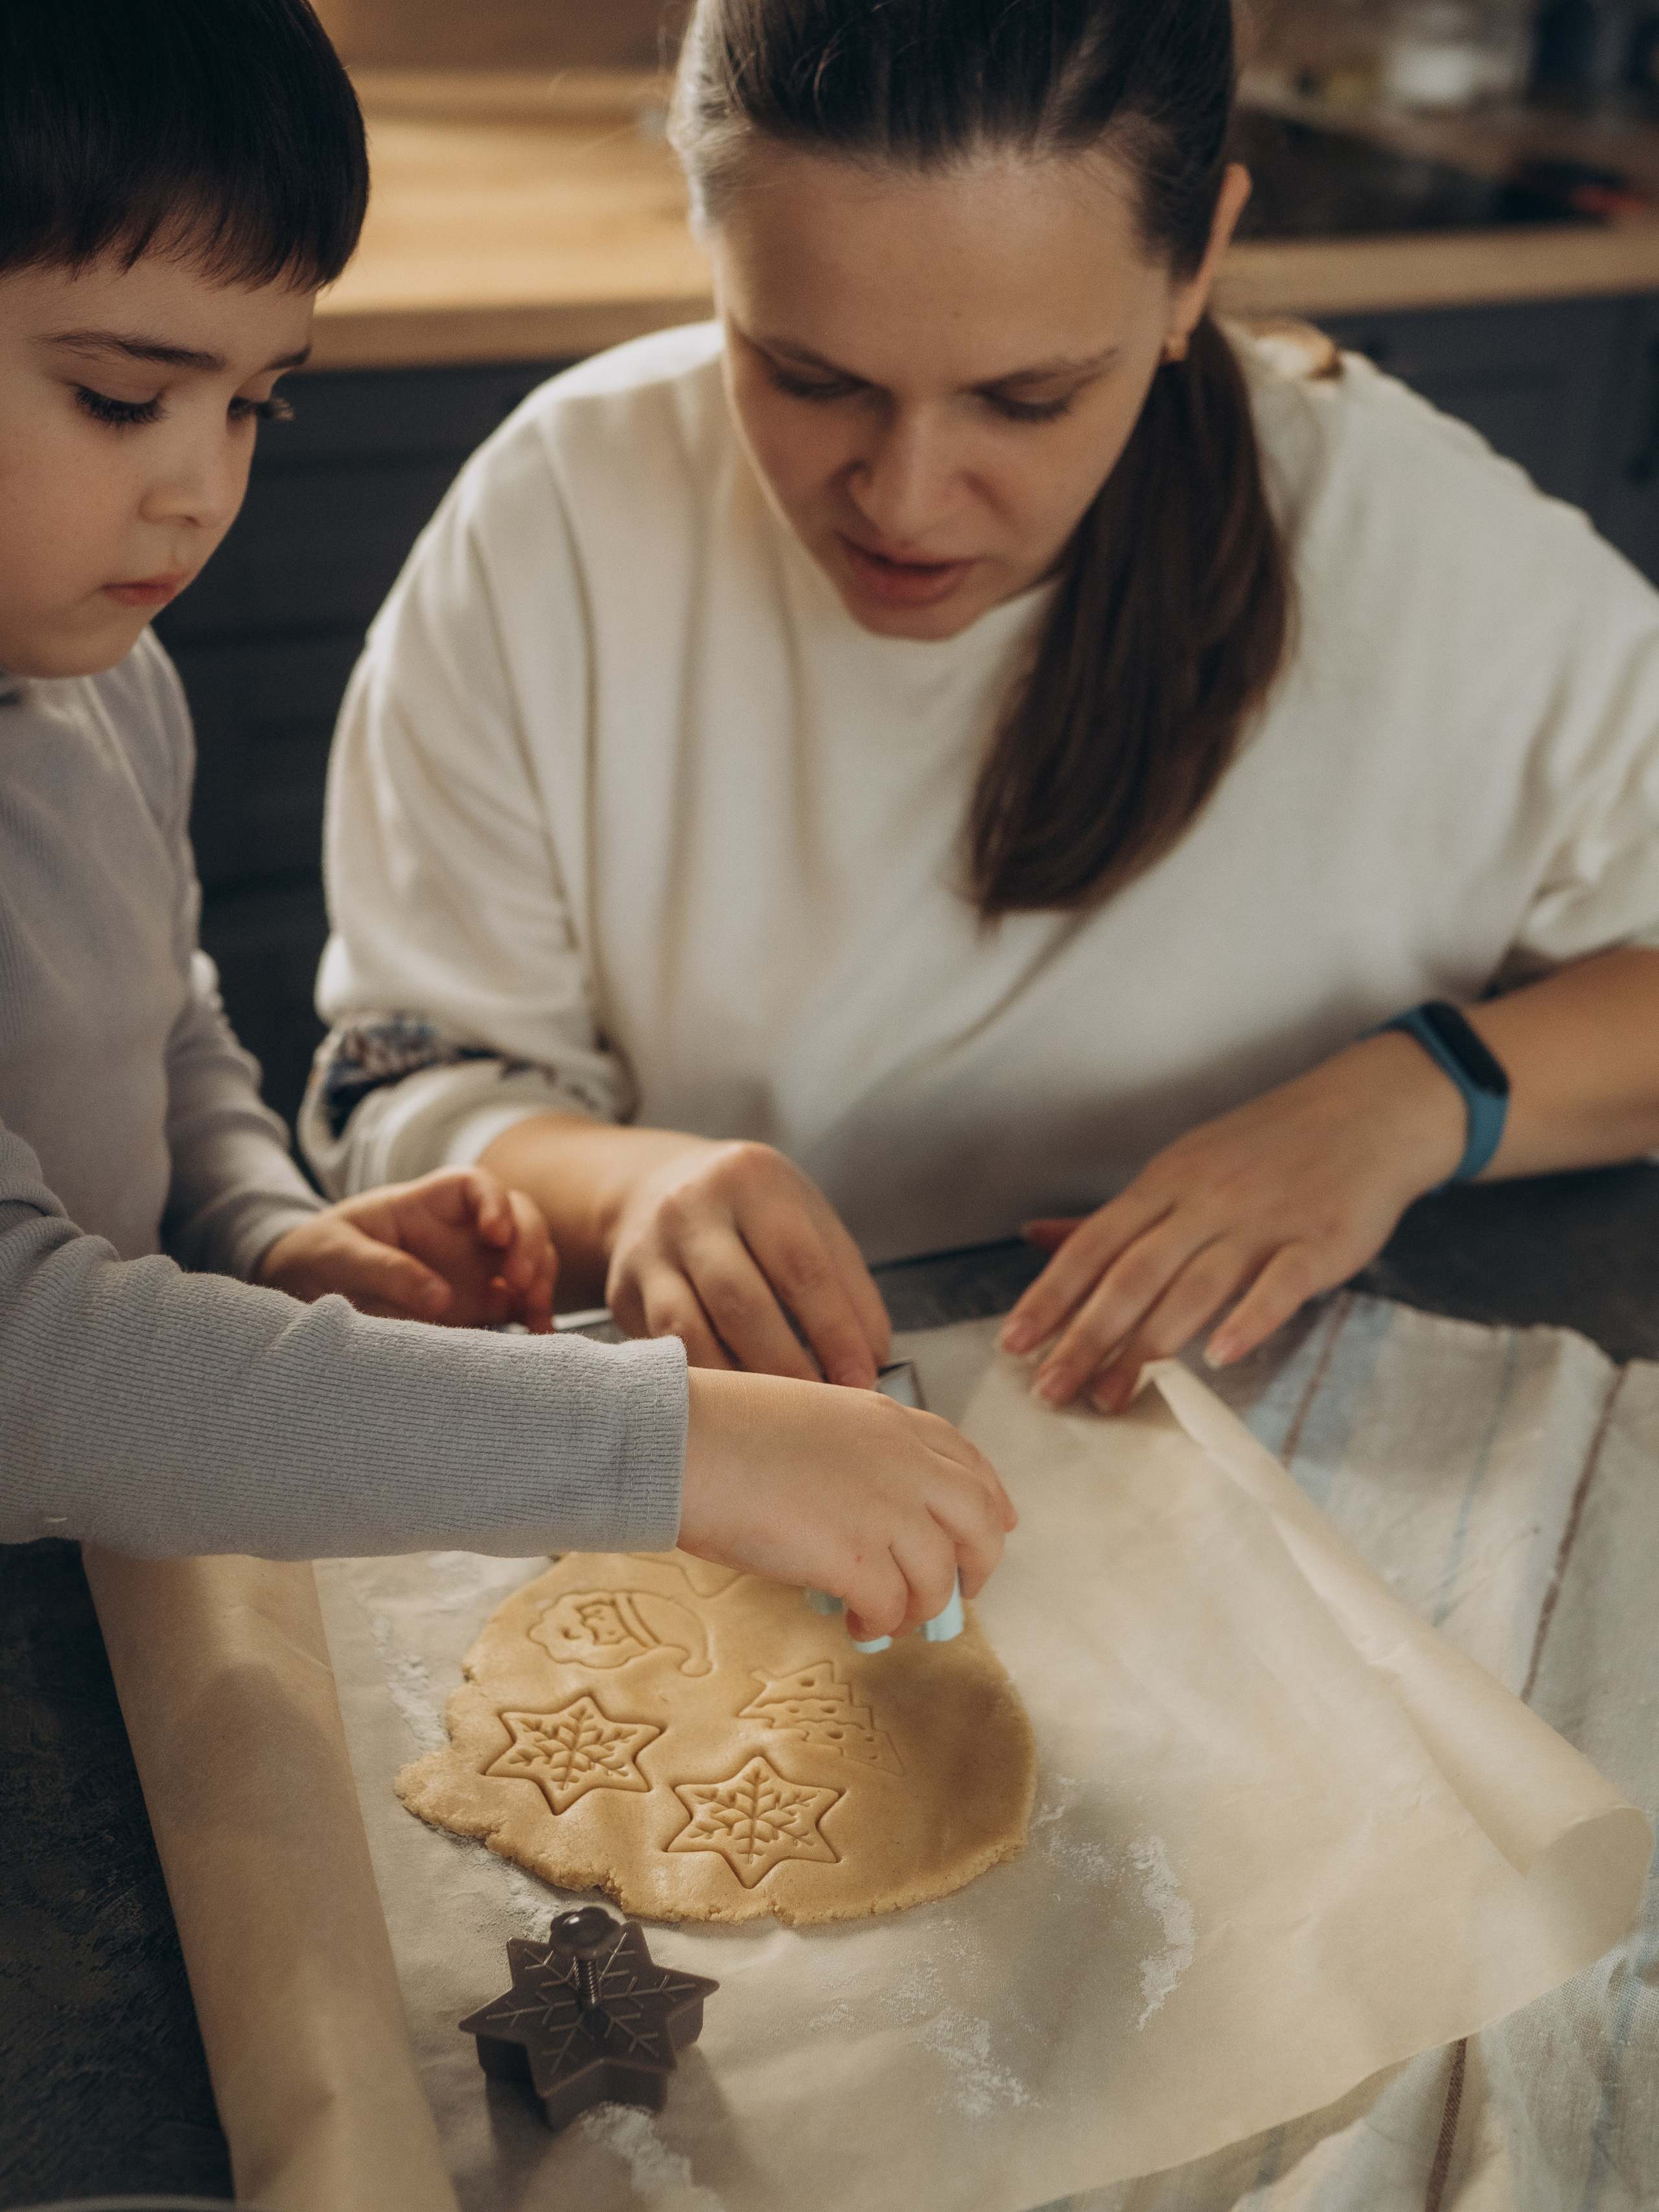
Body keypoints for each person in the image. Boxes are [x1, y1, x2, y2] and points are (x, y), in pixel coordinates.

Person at [307, 0, 1659, 1418]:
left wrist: (1412, 1100)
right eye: (810, 376)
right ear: (709, 238)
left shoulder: (1434, 561)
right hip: (753, 1444)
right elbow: (398, 1084)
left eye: (1026, 399)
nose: (903, 498)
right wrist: (630, 1193)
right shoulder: (563, 521)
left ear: (1195, 261)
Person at [0, 0, 1013, 1643]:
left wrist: (265, 1242)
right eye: (124, 400)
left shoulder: (108, 682)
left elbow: (157, 1022)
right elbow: (32, 1360)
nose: (203, 489)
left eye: (256, 405)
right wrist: (675, 1448)